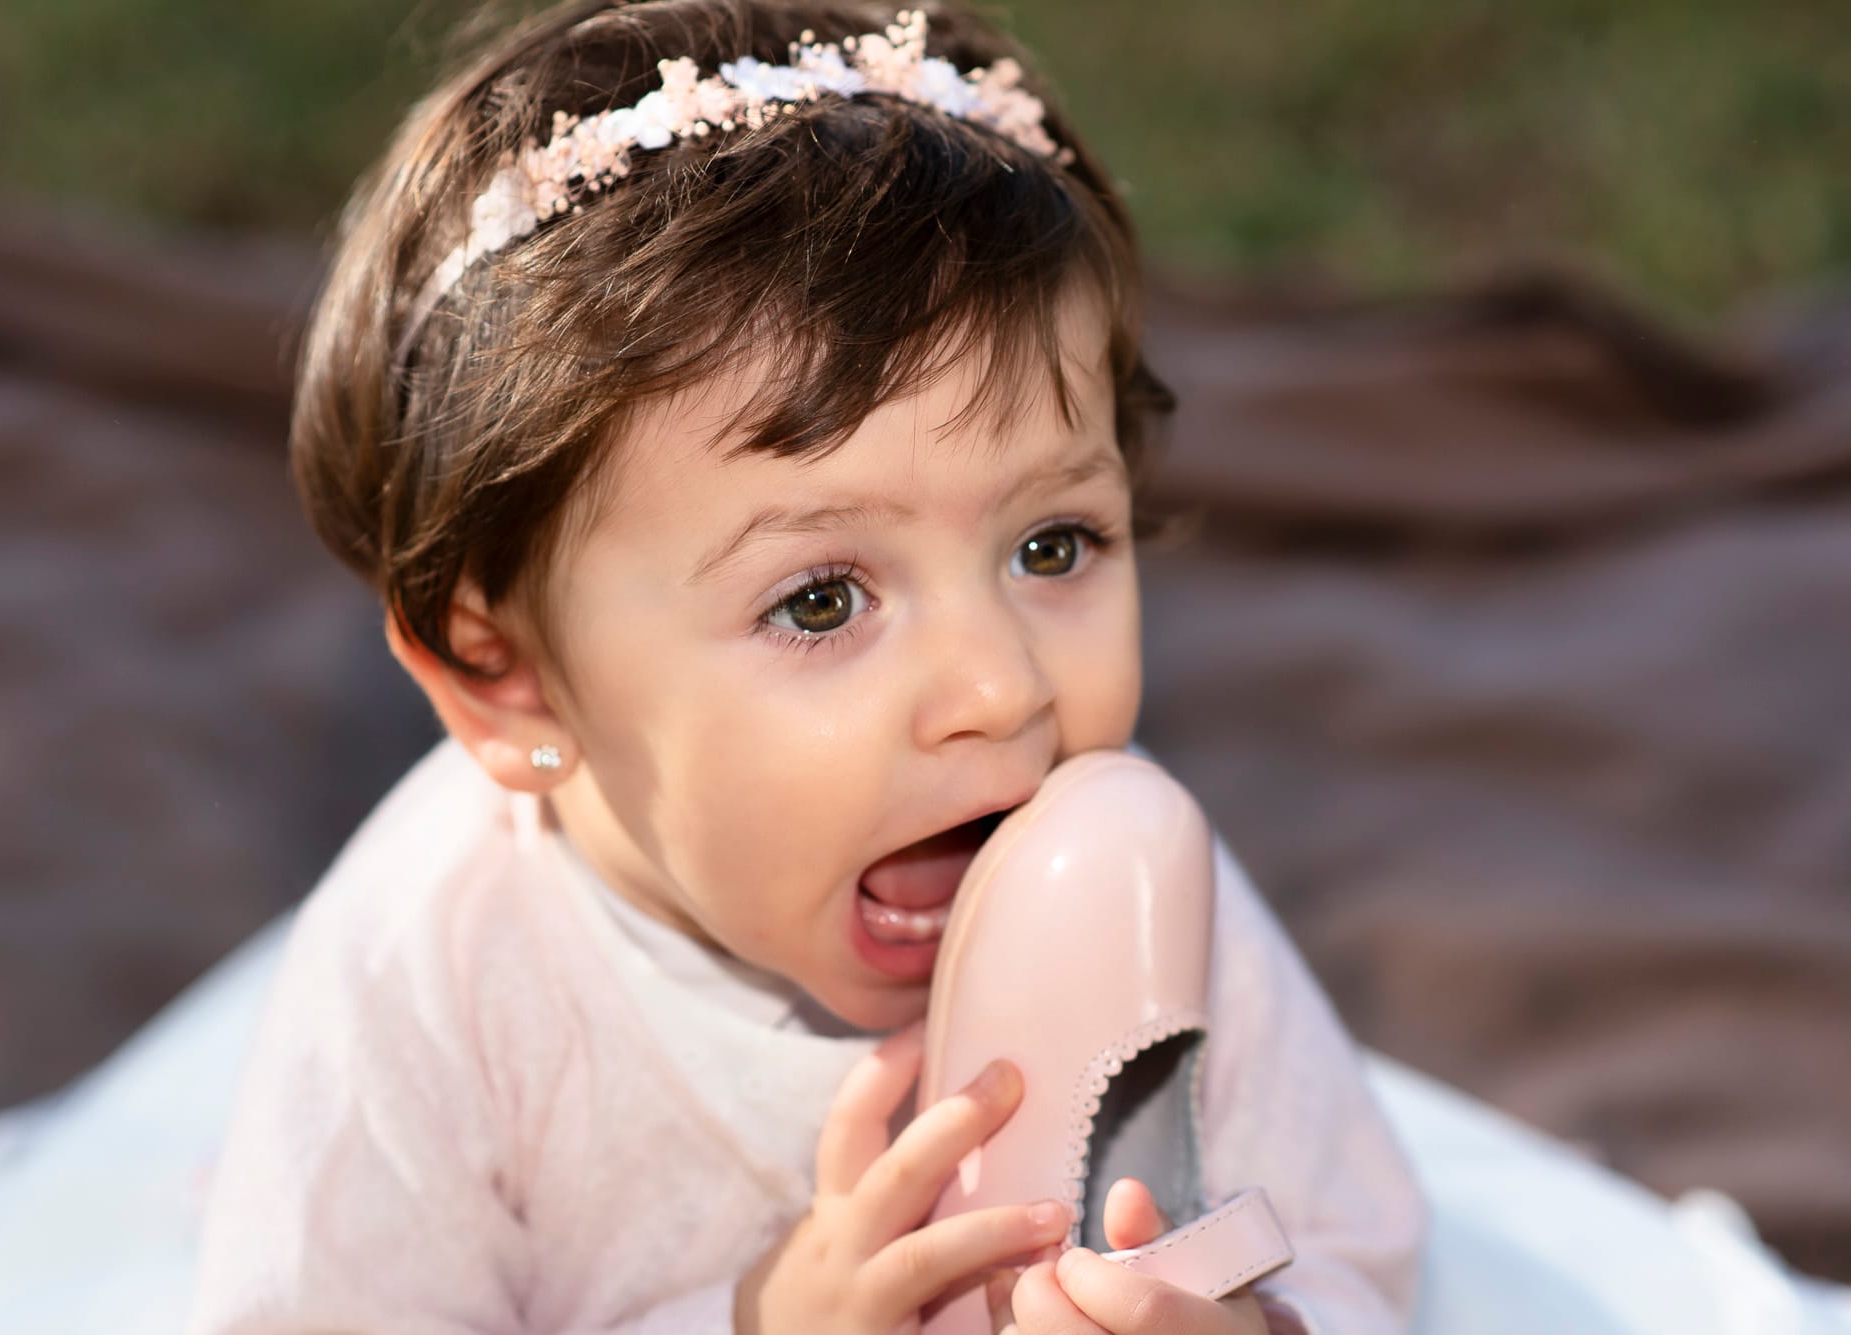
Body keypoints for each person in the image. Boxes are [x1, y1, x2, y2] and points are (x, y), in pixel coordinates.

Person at [188, 2, 1426, 1331]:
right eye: (824, 598)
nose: (1000, 689)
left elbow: (1360, 1249)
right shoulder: (427, 987)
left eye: (1053, 546)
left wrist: (1248, 1319)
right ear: (513, 686)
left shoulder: (1127, 888)